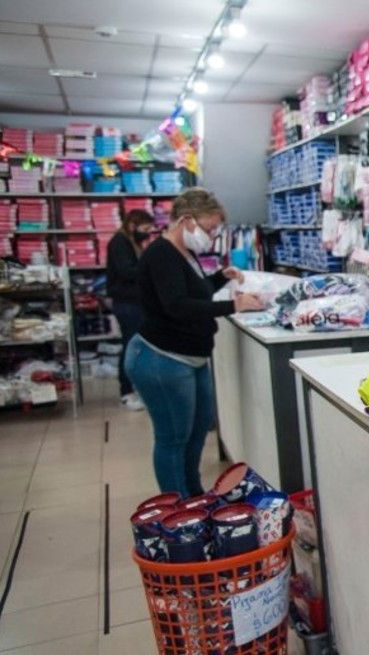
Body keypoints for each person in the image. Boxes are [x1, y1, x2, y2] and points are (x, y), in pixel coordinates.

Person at [125, 188, 266, 497]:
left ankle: (194, 497)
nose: (212, 236)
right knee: (173, 439)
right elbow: (178, 306)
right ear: (187, 220)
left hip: (190, 358)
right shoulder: (161, 255)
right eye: (210, 228)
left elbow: (194, 291)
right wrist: (234, 306)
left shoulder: (183, 253)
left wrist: (221, 277)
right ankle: (180, 510)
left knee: (197, 431)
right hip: (162, 359)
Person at [107, 209, 156, 411]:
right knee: (130, 346)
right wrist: (150, 267)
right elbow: (126, 271)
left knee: (137, 347)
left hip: (134, 301)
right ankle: (126, 392)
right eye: (145, 229)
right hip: (127, 303)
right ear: (133, 226)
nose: (147, 233)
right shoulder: (120, 243)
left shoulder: (130, 243)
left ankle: (135, 389)